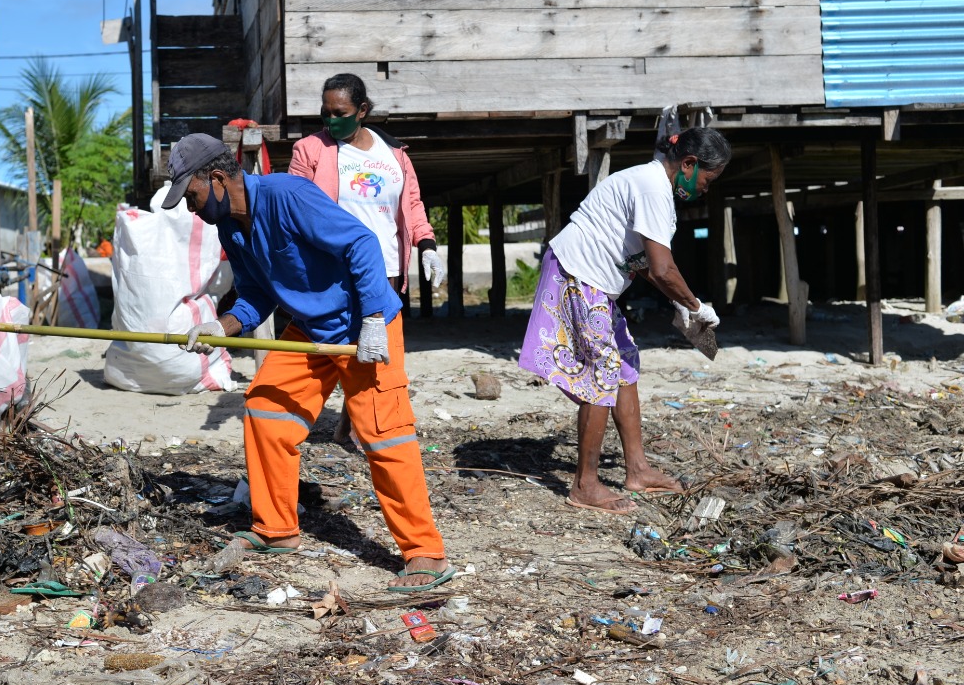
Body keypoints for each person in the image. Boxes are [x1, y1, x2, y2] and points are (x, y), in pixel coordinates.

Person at [161, 133, 454, 592]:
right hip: (312, 331)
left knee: (383, 434)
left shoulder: (288, 196)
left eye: (192, 195)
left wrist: (375, 317)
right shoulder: (229, 227)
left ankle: (425, 553)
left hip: (363, 323)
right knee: (264, 409)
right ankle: (276, 530)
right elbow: (256, 297)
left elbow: (361, 243)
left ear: (217, 178)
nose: (189, 207)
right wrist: (223, 327)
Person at [518, 126, 732, 515]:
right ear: (688, 163)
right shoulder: (652, 186)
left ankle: (637, 470)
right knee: (600, 373)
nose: (705, 188)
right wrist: (696, 306)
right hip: (577, 275)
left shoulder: (654, 187)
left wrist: (680, 303)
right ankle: (585, 484)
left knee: (625, 365)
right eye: (707, 178)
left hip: (596, 281)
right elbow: (664, 269)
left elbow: (645, 264)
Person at [289, 73, 444, 443]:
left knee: (376, 354)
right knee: (343, 347)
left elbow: (412, 204)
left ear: (362, 111)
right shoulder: (310, 150)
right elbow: (295, 204)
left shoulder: (394, 154)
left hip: (386, 269)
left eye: (339, 112)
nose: (330, 120)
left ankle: (351, 429)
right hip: (336, 270)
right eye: (324, 113)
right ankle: (355, 427)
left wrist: (427, 245)